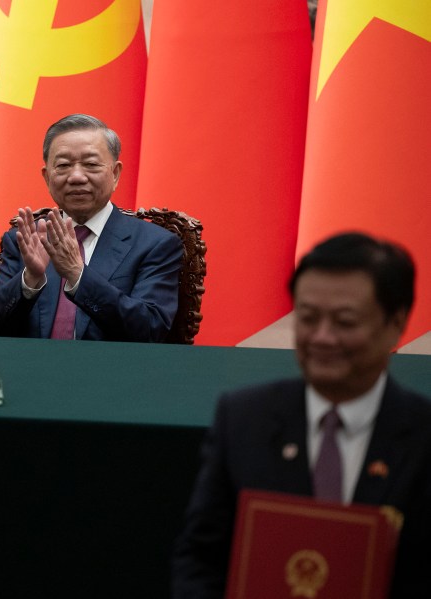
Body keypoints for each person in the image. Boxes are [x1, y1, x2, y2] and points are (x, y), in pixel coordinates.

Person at [172, 232, 431, 597]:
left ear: (396, 324)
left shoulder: (422, 434)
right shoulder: (244, 420)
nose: (322, 338)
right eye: (308, 318)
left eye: (344, 321)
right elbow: (200, 559)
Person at [0, 114, 183, 342]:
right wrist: (29, 279)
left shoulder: (155, 244)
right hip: (33, 372)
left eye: (91, 164)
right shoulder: (24, 241)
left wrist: (77, 275)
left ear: (115, 174)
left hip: (112, 374)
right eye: (63, 166)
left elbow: (151, 330)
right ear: (47, 177)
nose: (76, 177)